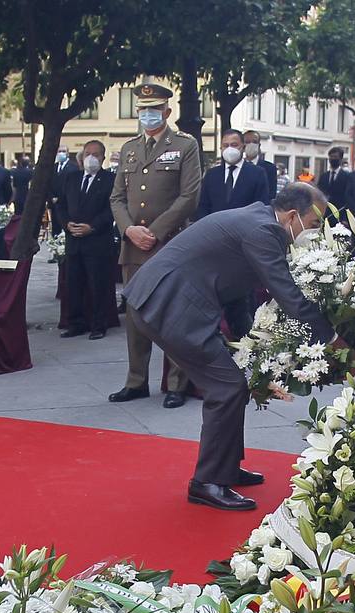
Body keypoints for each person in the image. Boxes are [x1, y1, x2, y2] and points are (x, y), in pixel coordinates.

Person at [124, 183, 334, 511]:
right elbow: (287, 294)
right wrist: (332, 338)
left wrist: (248, 343)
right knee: (227, 387)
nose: (314, 233)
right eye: (314, 224)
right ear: (293, 215)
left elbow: (240, 290)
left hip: (170, 300)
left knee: (231, 383)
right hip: (168, 305)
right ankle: (207, 482)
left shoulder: (258, 220)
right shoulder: (265, 231)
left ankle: (225, 468)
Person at [108, 82, 203, 409]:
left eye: (154, 109)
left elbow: (189, 196)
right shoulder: (130, 148)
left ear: (167, 111)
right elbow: (117, 197)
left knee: (172, 315)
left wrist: (157, 231)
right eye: (143, 110)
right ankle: (136, 381)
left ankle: (177, 383)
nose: (147, 115)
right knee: (135, 317)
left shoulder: (184, 146)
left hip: (170, 244)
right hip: (134, 246)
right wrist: (129, 230)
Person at [197, 128, 271, 339]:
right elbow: (203, 208)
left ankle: (245, 340)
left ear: (243, 147)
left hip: (243, 247)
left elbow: (261, 207)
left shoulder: (256, 174)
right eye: (225, 145)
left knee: (242, 300)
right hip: (214, 246)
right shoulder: (211, 176)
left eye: (234, 145)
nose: (230, 149)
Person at [60, 139, 119, 340]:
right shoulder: (71, 178)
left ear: (103, 157)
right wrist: (67, 224)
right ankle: (76, 323)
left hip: (97, 242)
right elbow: (60, 205)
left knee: (97, 285)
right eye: (87, 154)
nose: (91, 158)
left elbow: (112, 209)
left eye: (96, 154)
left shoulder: (110, 180)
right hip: (74, 241)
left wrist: (92, 227)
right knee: (74, 285)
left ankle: (99, 325)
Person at [49, 146, 79, 234]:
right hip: (54, 203)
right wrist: (52, 197)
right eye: (59, 151)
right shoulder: (53, 167)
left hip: (67, 203)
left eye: (63, 151)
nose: (61, 153)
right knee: (55, 228)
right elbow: (48, 184)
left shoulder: (74, 167)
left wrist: (62, 198)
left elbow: (73, 186)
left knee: (67, 227)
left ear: (67, 153)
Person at [242, 130, 277, 199]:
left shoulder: (270, 168)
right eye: (247, 142)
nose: (251, 144)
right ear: (243, 145)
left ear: (259, 145)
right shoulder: (237, 166)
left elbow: (271, 194)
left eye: (254, 142)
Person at [315, 146, 349, 211]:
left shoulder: (347, 177)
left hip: (340, 212)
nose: (333, 159)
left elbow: (348, 198)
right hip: (325, 213)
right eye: (331, 157)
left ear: (341, 159)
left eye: (335, 157)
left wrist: (345, 218)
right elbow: (319, 194)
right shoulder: (323, 176)